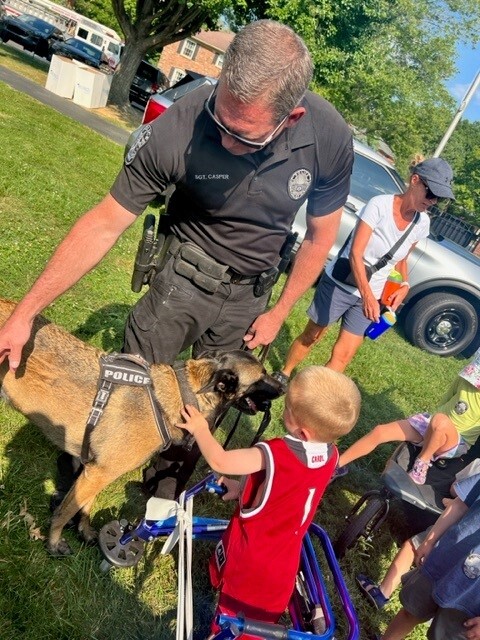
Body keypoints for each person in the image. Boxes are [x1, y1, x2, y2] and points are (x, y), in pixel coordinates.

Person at [0, 19, 354, 500]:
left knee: (206, 408)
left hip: (251, 297)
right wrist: (23, 316)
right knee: (129, 384)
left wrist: (278, 312)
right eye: (221, 123)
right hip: (182, 278)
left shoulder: (328, 136)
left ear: (289, 119)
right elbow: (104, 223)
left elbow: (320, 236)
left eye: (244, 137)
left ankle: (158, 499)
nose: (226, 142)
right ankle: (83, 463)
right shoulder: (182, 125)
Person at [176, 366, 361, 636]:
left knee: (236, 621)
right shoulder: (331, 455)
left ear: (303, 433)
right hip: (284, 558)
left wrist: (201, 428)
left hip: (253, 555)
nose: (283, 409)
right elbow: (287, 492)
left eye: (288, 409)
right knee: (256, 609)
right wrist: (242, 489)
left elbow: (220, 461)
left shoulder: (275, 453)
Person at [274, 156, 454, 384]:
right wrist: (368, 297)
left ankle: (315, 394)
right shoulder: (379, 205)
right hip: (341, 283)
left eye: (438, 198)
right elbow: (355, 254)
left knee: (344, 354)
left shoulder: (422, 223)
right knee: (313, 335)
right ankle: (285, 373)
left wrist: (404, 285)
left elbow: (402, 258)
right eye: (431, 193)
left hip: (370, 295)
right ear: (415, 180)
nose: (432, 201)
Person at [336, 347, 480, 484]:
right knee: (380, 431)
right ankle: (335, 467)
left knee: (440, 420)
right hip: (432, 425)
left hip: (455, 440)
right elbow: (446, 400)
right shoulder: (465, 379)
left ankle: (422, 462)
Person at [356, 458, 480, 610]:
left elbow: (456, 490)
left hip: (454, 527)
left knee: (412, 547)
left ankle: (382, 593)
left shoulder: (477, 464)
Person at [375, 471, 480, 640]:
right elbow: (459, 505)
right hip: (444, 562)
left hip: (472, 598)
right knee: (411, 611)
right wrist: (429, 541)